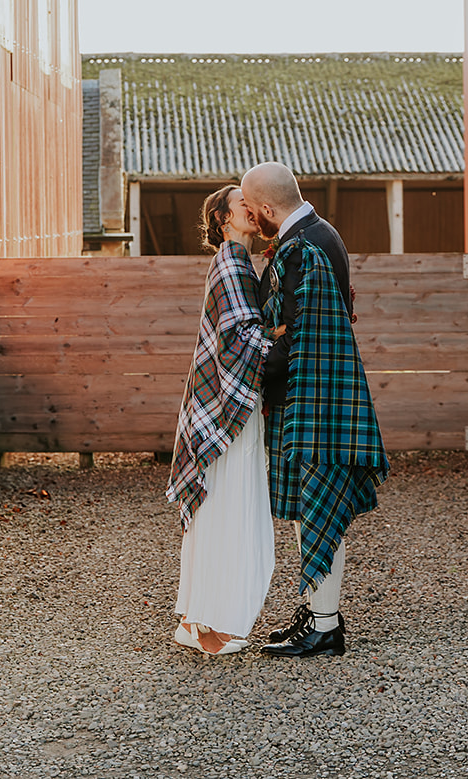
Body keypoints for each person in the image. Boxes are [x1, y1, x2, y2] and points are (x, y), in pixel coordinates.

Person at [240, 161, 388, 658]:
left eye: (251, 210)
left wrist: (250, 366)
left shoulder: (303, 247)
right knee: (310, 507)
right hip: (315, 392)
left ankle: (324, 625)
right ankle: (316, 611)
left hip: (315, 396)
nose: (253, 221)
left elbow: (302, 333)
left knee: (317, 505)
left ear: (264, 208)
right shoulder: (320, 234)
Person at [166, 185, 280, 655]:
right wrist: (291, 329)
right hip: (228, 407)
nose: (251, 210)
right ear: (223, 219)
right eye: (241, 205)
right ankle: (207, 622)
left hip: (225, 403)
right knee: (228, 505)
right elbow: (237, 342)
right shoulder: (231, 264)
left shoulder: (242, 264)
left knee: (221, 505)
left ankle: (197, 619)